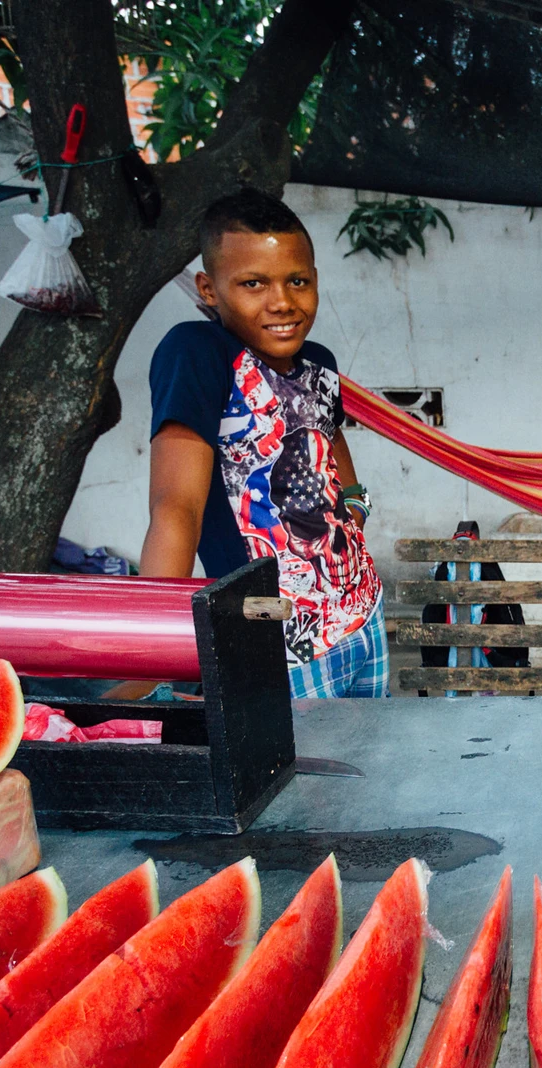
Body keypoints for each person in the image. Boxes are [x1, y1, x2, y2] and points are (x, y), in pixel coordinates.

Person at [139, 188, 386, 698]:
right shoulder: (196, 352)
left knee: (373, 770)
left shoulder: (319, 360)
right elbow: (175, 508)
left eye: (298, 281)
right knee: (297, 779)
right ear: (208, 288)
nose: (282, 302)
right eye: (253, 283)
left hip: (365, 617)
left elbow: (330, 436)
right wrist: (151, 652)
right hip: (280, 649)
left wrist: (356, 506)